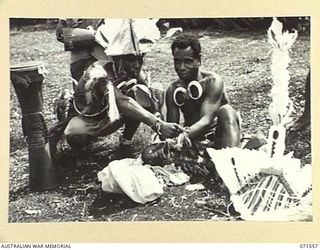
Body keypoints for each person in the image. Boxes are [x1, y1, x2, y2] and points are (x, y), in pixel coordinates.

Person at [61, 59, 182, 154]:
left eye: (140, 59)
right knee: (77, 138)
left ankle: (126, 141)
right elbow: (123, 102)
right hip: (89, 120)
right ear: (118, 59)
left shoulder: (135, 70)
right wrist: (158, 125)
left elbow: (147, 98)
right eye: (131, 60)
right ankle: (84, 149)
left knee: (142, 91)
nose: (137, 64)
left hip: (112, 116)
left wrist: (159, 118)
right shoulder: (98, 72)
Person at [164, 33, 240, 148]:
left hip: (219, 138)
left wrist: (181, 137)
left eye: (188, 61)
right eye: (177, 61)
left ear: (198, 60)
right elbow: (171, 129)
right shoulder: (173, 89)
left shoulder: (213, 82)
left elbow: (206, 120)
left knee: (227, 110)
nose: (182, 67)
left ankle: (231, 158)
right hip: (193, 141)